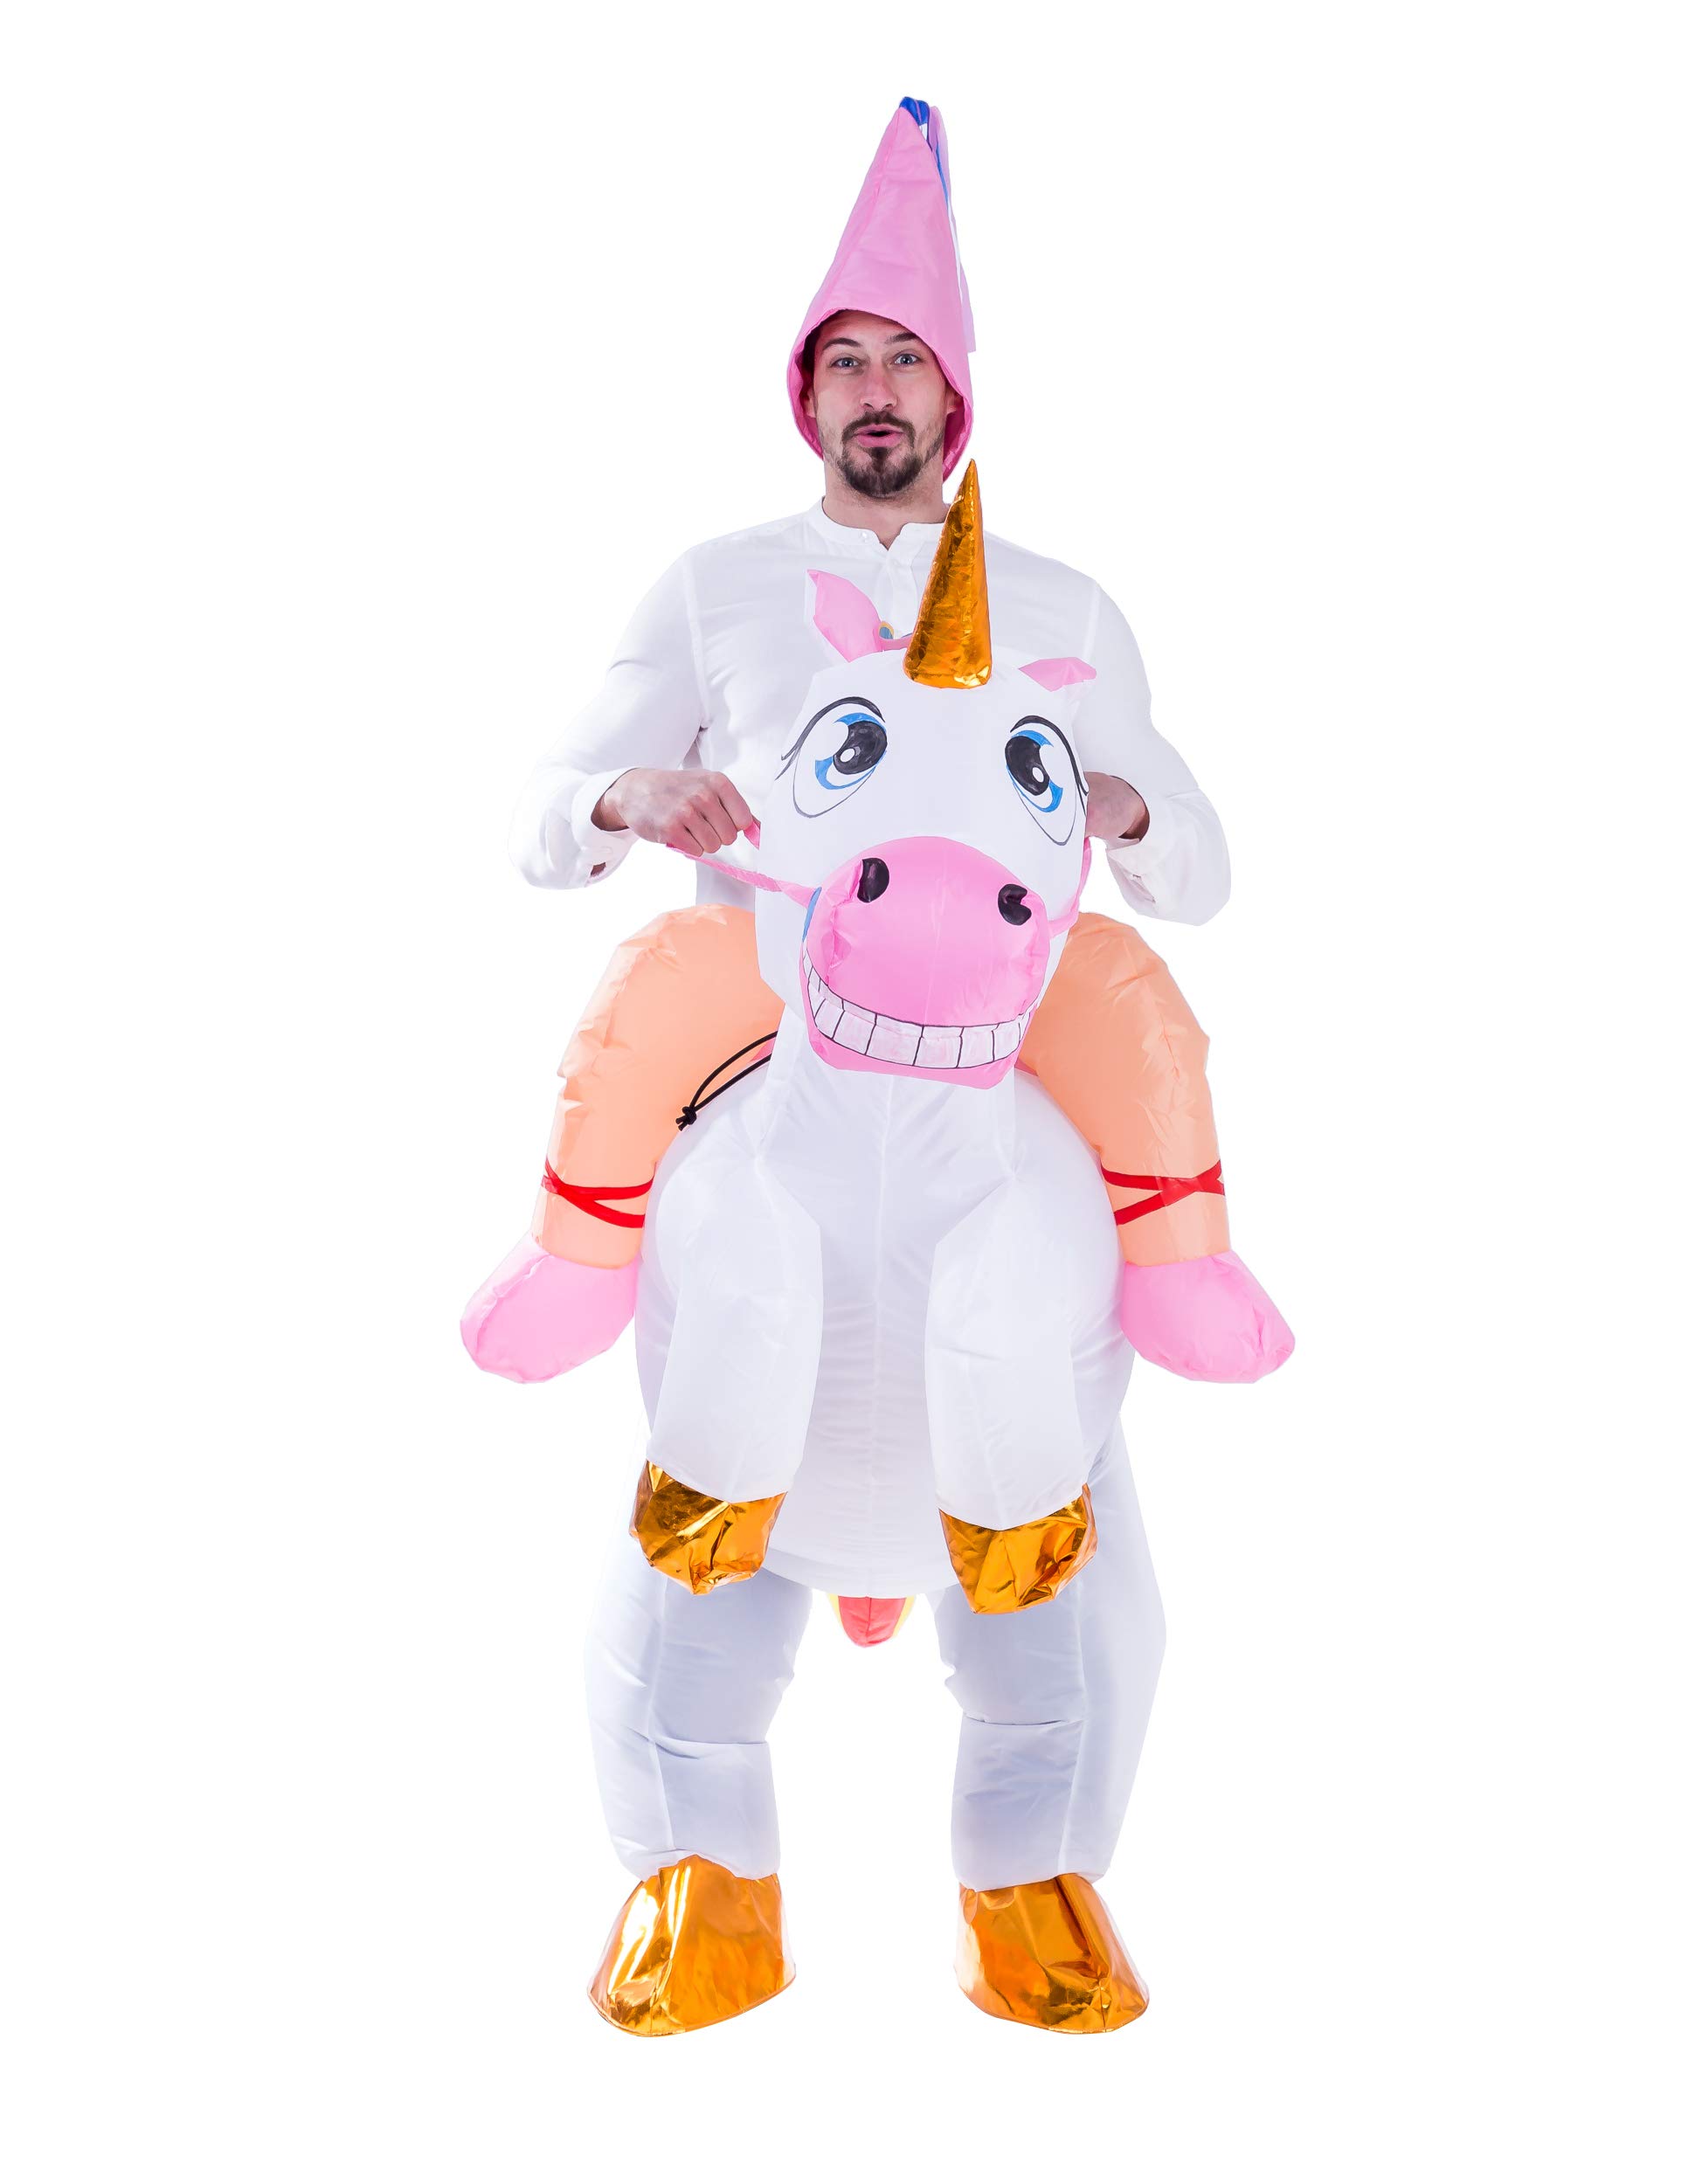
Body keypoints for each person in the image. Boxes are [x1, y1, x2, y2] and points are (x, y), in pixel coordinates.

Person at [469, 97, 1289, 2038]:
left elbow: (1199, 863)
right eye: (843, 360)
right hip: (777, 1015)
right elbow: (543, 803)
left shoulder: (1064, 609)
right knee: (642, 1058)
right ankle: (689, 1865)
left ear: (955, 391)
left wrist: (1115, 806)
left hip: (995, 1013)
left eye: (904, 360)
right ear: (804, 392)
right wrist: (623, 795)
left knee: (1120, 1092)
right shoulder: (716, 585)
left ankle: (1041, 1866)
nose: (874, 391)